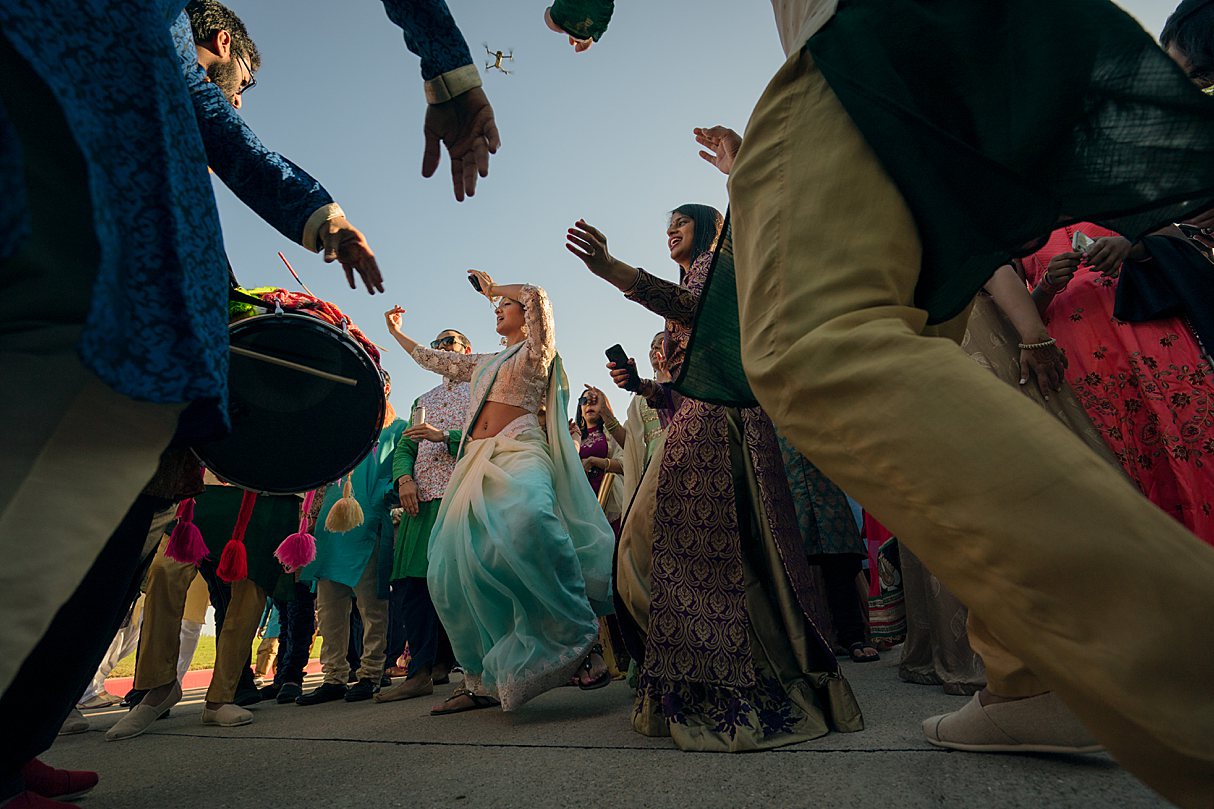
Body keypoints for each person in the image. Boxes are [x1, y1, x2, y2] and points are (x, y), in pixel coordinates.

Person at [666, 0, 1214, 800]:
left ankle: (1184, 661)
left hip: (878, 38)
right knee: (913, 345)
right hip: (947, 74)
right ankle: (1032, 676)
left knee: (814, 345)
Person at [568, 206, 863, 751]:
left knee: (660, 550)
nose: (670, 231)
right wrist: (642, 384)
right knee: (717, 556)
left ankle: (727, 688)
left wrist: (613, 268)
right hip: (701, 421)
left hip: (717, 424)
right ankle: (706, 680)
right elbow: (680, 385)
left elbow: (685, 303)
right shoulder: (695, 283)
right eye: (666, 226)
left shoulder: (710, 269)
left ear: (707, 230)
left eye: (681, 222)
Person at [384, 270, 616, 713]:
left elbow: (537, 295)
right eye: (496, 305)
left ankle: (580, 643)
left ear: (524, 317)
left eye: (504, 306)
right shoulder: (485, 362)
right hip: (474, 460)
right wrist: (397, 333)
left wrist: (493, 288)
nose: (498, 309)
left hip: (520, 449)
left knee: (532, 520)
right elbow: (432, 360)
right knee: (449, 566)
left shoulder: (536, 351)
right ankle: (480, 679)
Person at [297, 379, 405, 705]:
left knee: (371, 605)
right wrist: (310, 519)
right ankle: (333, 677)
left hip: (367, 521)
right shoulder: (346, 428)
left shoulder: (397, 427)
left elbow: (400, 470)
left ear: (386, 388)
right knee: (329, 608)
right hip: (331, 527)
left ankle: (371, 673)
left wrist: (381, 502)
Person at [377, 330, 472, 703]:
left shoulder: (481, 389)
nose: (442, 348)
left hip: (462, 496)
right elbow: (405, 445)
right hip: (420, 502)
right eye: (437, 344)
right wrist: (403, 479)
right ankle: (419, 670)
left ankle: (466, 666)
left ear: (466, 349)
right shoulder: (424, 399)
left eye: (449, 341)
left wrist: (444, 435)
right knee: (411, 584)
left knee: (461, 582)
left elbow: (487, 436)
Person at [572, 388, 625, 528]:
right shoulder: (573, 435)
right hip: (580, 501)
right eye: (584, 401)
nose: (589, 404)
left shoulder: (613, 434)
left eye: (594, 400)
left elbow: (626, 464)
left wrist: (594, 461)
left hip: (609, 500)